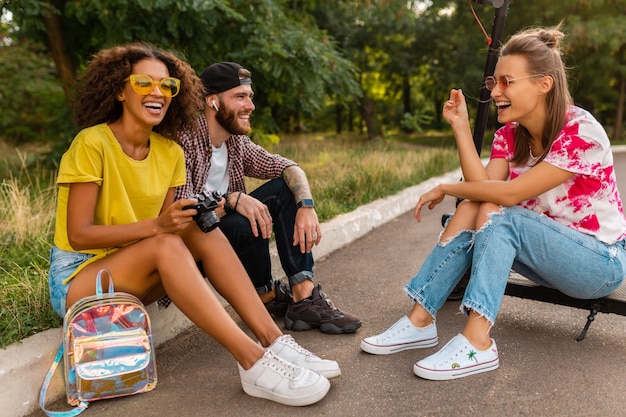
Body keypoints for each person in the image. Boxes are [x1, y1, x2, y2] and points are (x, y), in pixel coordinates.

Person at [48, 42, 341, 407]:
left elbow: (175, 228)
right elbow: (79, 235)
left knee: (196, 227)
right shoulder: (92, 144)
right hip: (81, 279)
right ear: (120, 90)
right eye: (143, 83)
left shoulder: (170, 152)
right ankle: (253, 361)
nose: (158, 93)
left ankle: (275, 341)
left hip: (136, 271)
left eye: (167, 86)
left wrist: (172, 225)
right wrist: (158, 226)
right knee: (168, 239)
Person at [360, 25, 626, 380]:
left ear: (544, 84)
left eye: (506, 82)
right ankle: (420, 320)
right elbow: (482, 189)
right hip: (547, 255)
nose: (495, 91)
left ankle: (477, 342)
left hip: (598, 263)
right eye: (493, 83)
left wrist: (446, 187)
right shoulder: (510, 134)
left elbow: (510, 196)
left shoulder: (580, 131)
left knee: (503, 216)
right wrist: (460, 126)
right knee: (475, 207)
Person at [175, 62, 361, 334]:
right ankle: (265, 296)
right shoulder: (184, 140)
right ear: (212, 101)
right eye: (239, 97)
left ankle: (303, 296)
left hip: (227, 241)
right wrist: (231, 200)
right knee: (240, 220)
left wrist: (306, 206)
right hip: (193, 247)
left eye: (250, 97)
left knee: (283, 189)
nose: (250, 106)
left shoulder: (234, 141)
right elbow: (181, 212)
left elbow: (287, 167)